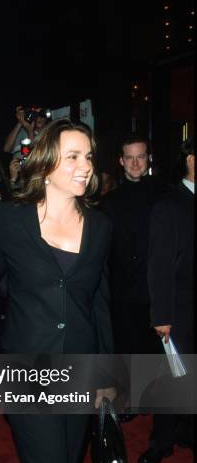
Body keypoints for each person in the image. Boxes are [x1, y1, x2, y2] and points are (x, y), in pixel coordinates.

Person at [0, 119, 115, 463]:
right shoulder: (7, 220)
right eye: (74, 156)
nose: (85, 167)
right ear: (46, 162)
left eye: (89, 157)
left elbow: (99, 302)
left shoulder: (100, 226)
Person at [101, 133, 169, 421]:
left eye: (140, 156)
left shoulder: (166, 195)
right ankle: (133, 400)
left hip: (158, 289)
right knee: (128, 348)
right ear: (121, 161)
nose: (135, 163)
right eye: (129, 157)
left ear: (148, 159)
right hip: (125, 290)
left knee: (159, 354)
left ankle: (163, 409)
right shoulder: (110, 202)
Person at [138, 136, 194, 463]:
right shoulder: (169, 205)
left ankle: (187, 431)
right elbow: (158, 264)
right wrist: (161, 315)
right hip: (179, 309)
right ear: (190, 158)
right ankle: (162, 440)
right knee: (173, 378)